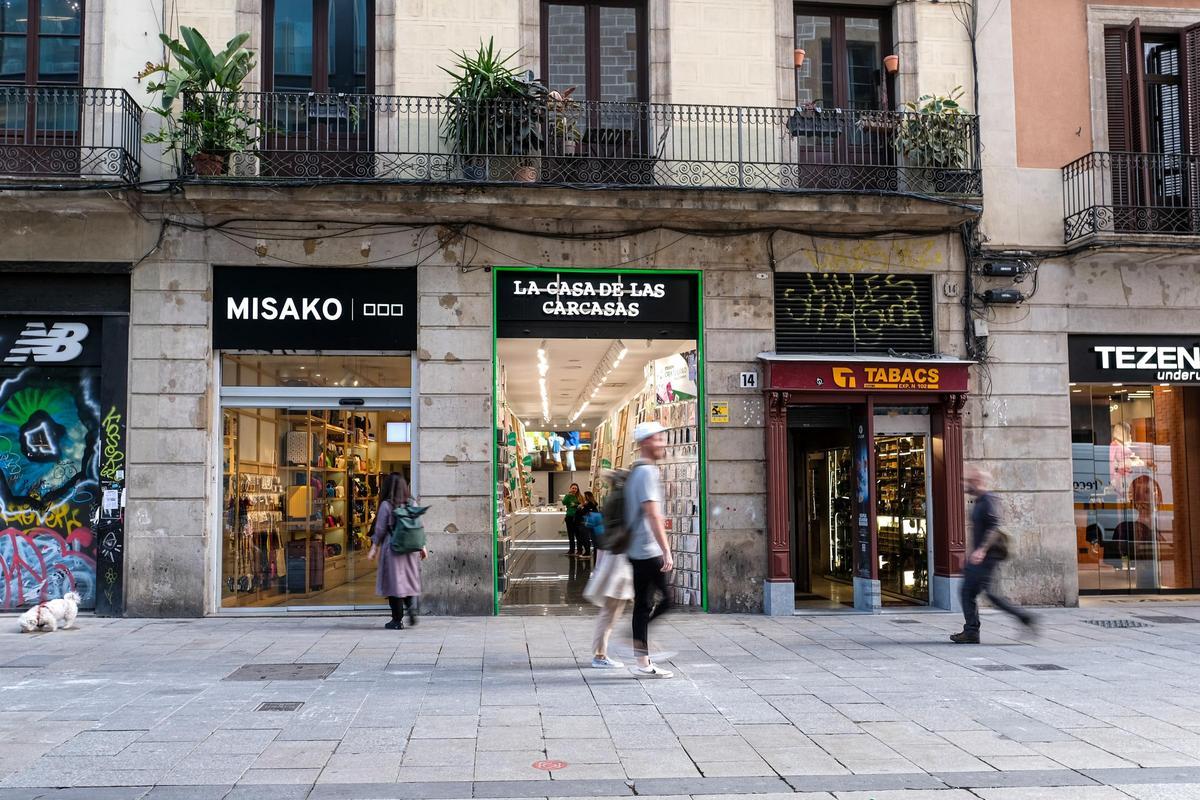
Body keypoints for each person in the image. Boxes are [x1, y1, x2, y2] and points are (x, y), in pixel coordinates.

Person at [951, 466, 1035, 644]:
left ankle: (972, 631)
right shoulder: (980, 501)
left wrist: (981, 550)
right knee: (981, 594)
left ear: (977, 482)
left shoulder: (988, 500)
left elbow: (994, 527)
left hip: (986, 558)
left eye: (968, 481)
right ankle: (1023, 619)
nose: (965, 485)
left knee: (969, 592)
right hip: (982, 557)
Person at [626, 421, 673, 678]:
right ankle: (636, 646)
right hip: (647, 549)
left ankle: (641, 658)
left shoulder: (637, 471)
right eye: (658, 439)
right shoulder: (646, 473)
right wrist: (666, 550)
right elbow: (653, 514)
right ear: (645, 442)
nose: (662, 443)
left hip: (638, 548)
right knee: (665, 601)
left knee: (644, 604)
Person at [368, 472, 427, 630]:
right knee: (407, 581)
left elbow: (380, 529)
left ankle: (396, 621)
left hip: (392, 549)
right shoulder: (411, 503)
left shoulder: (387, 505)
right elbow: (419, 526)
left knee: (394, 584)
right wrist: (423, 547)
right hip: (410, 550)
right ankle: (411, 610)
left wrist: (374, 547)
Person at [563, 482, 586, 558]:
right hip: (569, 517)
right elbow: (564, 502)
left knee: (578, 535)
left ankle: (579, 550)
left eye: (575, 488)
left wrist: (575, 505)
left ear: (577, 489)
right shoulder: (568, 496)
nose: (574, 489)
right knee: (570, 535)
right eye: (573, 488)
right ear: (570, 489)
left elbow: (583, 505)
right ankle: (571, 550)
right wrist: (568, 495)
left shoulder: (580, 496)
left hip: (577, 518)